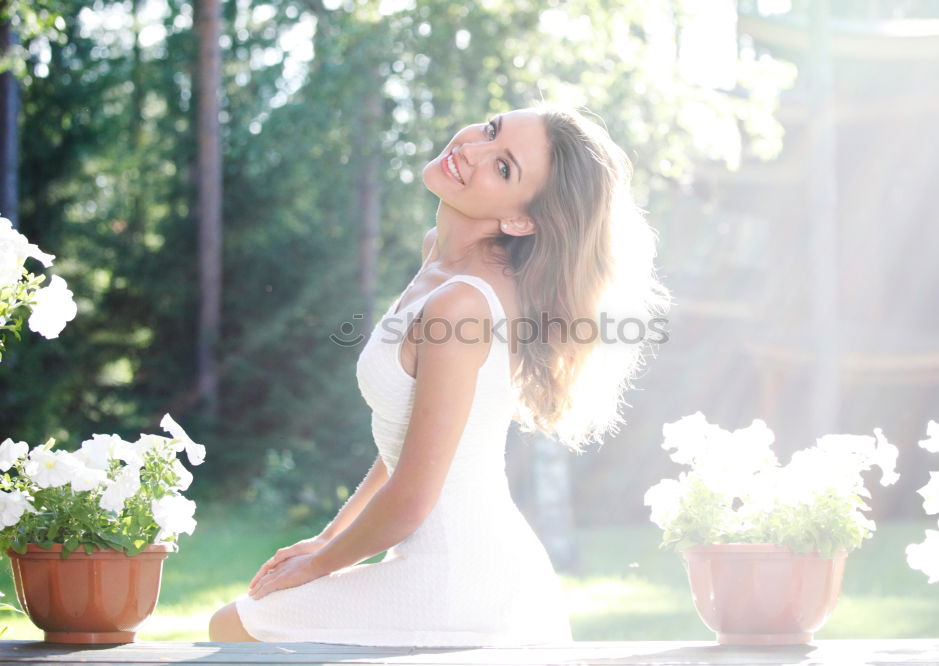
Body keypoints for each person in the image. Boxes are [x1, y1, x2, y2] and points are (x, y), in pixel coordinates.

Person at [208, 106, 670, 645]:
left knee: (232, 627)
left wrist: (316, 568)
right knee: (236, 626)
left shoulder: (461, 304)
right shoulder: (440, 258)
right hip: (455, 569)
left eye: (503, 168)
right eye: (491, 129)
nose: (472, 151)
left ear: (522, 220)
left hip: (460, 581)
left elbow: (412, 499)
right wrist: (327, 539)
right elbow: (411, 441)